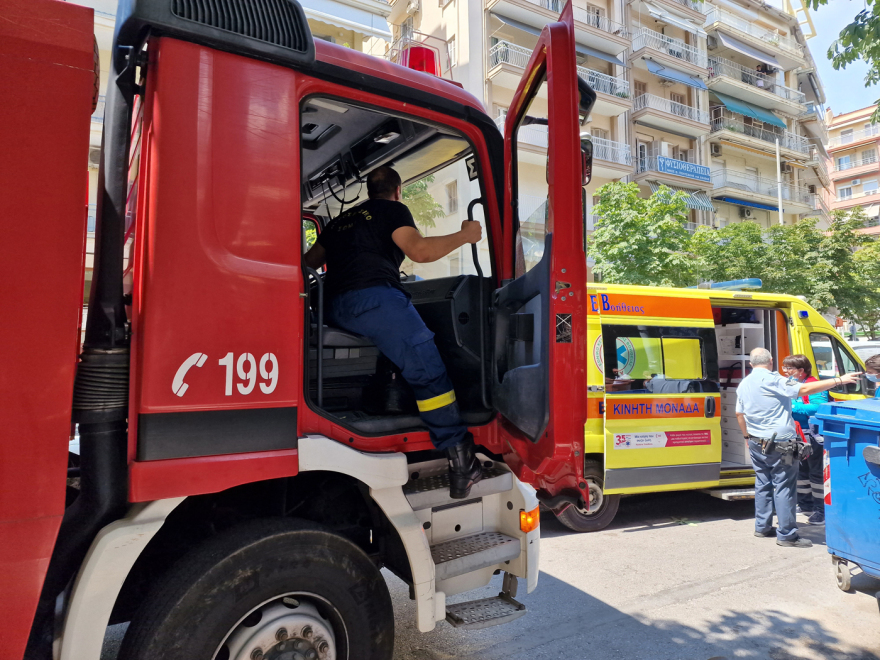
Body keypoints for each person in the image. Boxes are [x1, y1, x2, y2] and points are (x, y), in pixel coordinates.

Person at [303, 166, 484, 498]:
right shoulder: (392, 210)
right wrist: (466, 236)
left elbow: (307, 263)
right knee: (427, 368)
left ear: (368, 190)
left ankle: (389, 403)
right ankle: (461, 459)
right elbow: (420, 252)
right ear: (398, 190)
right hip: (373, 300)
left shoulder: (340, 221)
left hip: (332, 306)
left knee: (390, 347)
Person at [735, 348, 861, 548]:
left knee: (763, 483)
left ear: (751, 364)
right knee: (785, 486)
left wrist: (746, 437)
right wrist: (839, 380)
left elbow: (739, 414)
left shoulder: (744, 383)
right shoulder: (772, 379)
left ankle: (763, 526)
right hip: (779, 443)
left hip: (756, 441)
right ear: (771, 361)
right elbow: (802, 390)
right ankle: (787, 535)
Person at [781, 354, 827, 524]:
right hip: (795, 434)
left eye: (788, 368)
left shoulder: (815, 385)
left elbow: (817, 408)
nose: (785, 371)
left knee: (815, 473)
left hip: (812, 436)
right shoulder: (792, 384)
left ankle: (820, 510)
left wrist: (792, 406)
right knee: (801, 471)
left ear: (801, 370)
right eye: (784, 367)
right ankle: (805, 504)